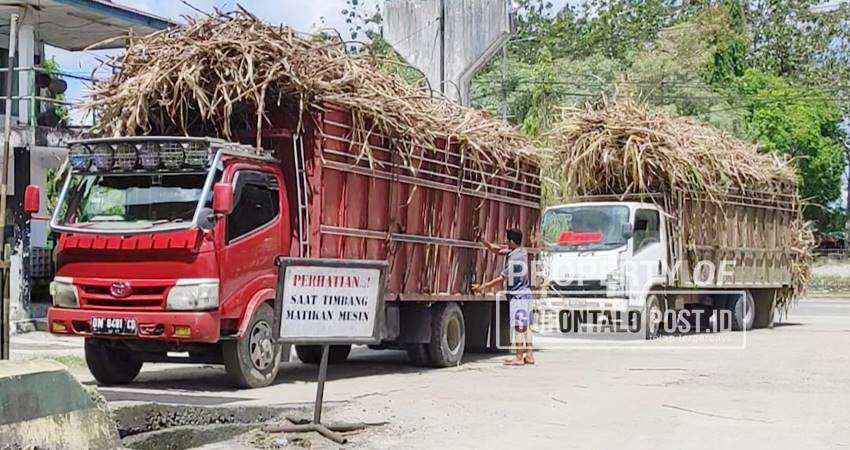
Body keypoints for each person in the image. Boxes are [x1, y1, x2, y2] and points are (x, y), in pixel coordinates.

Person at [472, 228, 534, 366]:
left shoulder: (515, 259)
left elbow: (501, 278)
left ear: (511, 241)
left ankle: (518, 358)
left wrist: (484, 286)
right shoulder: (521, 251)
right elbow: (498, 250)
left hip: (518, 296)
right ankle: (529, 355)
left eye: (507, 240)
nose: (505, 242)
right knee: (526, 327)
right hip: (526, 294)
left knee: (518, 328)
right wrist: (483, 240)